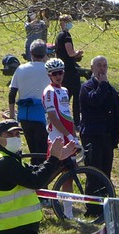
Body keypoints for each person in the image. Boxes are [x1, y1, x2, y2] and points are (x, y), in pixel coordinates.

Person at [43, 58, 81, 219]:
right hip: (57, 136)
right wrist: (67, 134)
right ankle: (40, 195)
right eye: (54, 73)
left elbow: (68, 115)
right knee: (50, 172)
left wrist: (74, 135)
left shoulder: (64, 90)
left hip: (67, 135)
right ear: (49, 75)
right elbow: (54, 116)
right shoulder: (49, 91)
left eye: (60, 72)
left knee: (69, 174)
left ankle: (68, 213)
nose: (58, 76)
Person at [79, 55, 119, 180]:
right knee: (94, 175)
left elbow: (118, 109)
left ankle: (106, 197)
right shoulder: (86, 87)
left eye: (104, 66)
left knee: (106, 174)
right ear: (92, 68)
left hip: (107, 137)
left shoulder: (110, 89)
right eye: (99, 65)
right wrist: (102, 85)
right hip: (92, 136)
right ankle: (91, 199)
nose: (102, 69)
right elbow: (95, 100)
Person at [9, 40, 50, 164]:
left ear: (30, 53)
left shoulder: (21, 69)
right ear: (45, 53)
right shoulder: (49, 69)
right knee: (42, 153)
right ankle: (40, 181)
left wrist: (12, 116)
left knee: (33, 150)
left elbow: (12, 93)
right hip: (42, 115)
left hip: (25, 115)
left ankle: (34, 177)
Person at [55, 14, 84, 127]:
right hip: (70, 70)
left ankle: (62, 117)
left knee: (65, 96)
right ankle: (76, 121)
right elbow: (70, 53)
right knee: (76, 96)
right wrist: (78, 53)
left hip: (62, 69)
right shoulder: (66, 36)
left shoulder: (59, 36)